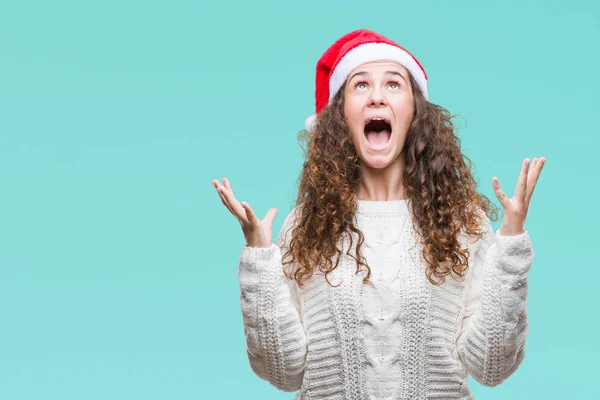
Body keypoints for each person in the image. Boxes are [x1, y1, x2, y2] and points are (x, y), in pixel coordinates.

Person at [212, 29, 545, 399]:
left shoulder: (459, 223)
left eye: (393, 84)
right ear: (340, 115)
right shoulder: (307, 226)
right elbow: (283, 372)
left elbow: (491, 366)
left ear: (415, 110)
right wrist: (259, 258)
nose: (376, 96)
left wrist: (512, 242)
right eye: (360, 85)